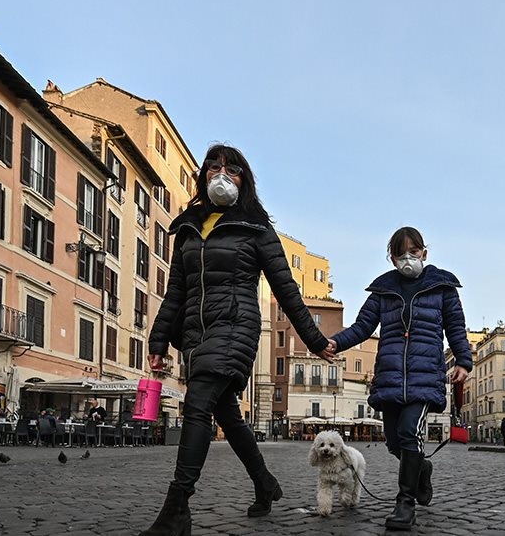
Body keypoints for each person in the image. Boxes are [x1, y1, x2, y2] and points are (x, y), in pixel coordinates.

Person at [141, 144, 335, 536]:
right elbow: (175, 292)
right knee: (228, 415)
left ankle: (177, 507)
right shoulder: (189, 229)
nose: (221, 174)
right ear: (204, 176)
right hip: (196, 335)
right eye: (213, 167)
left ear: (244, 179)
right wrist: (158, 341)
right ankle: (264, 482)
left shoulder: (256, 227)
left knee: (197, 406)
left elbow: (285, 288)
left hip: (237, 326)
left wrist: (315, 340)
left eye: (232, 169)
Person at [328, 227, 472, 531]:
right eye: (401, 253)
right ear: (392, 258)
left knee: (409, 433)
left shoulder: (442, 286)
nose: (409, 258)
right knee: (394, 442)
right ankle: (422, 469)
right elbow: (362, 327)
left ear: (424, 253)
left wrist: (464, 361)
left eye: (414, 251)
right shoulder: (383, 290)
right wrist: (335, 343)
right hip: (390, 376)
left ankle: (405, 503)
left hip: (424, 376)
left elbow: (456, 327)